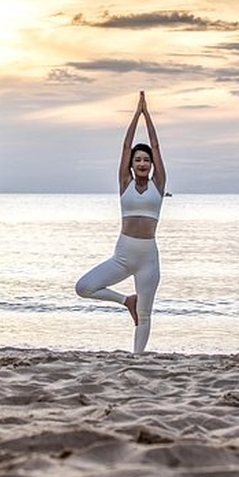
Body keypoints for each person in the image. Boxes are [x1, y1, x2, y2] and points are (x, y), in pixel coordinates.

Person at [75, 91, 165, 352]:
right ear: (131, 164)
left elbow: (156, 147)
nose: (142, 163)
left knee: (146, 315)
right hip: (124, 255)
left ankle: (137, 357)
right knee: (84, 287)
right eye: (138, 160)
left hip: (148, 258)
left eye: (146, 160)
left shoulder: (158, 185)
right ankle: (126, 301)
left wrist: (148, 116)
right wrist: (135, 114)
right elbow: (125, 148)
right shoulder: (124, 183)